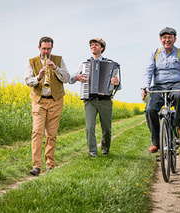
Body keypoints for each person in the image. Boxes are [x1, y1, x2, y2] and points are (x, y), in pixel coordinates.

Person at [141, 27, 180, 153]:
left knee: (179, 95)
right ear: (160, 39)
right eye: (164, 37)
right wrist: (145, 87)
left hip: (176, 84)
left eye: (170, 37)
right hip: (159, 85)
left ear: (174, 39)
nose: (167, 40)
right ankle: (156, 142)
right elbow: (148, 71)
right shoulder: (155, 53)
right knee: (149, 110)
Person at [25, 36, 70, 176]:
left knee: (51, 134)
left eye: (48, 48)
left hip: (55, 100)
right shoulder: (32, 62)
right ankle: (36, 166)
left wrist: (55, 68)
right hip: (39, 100)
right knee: (37, 132)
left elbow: (67, 78)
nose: (46, 51)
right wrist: (39, 77)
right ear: (39, 48)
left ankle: (50, 165)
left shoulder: (58, 60)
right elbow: (28, 81)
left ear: (52, 48)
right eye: (43, 48)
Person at [70, 38, 120, 158]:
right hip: (90, 100)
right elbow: (71, 79)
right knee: (89, 128)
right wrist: (77, 77)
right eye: (91, 45)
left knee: (107, 129)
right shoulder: (84, 64)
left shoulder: (111, 64)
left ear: (102, 48)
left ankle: (105, 150)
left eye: (96, 45)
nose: (93, 46)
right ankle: (92, 154)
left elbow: (118, 85)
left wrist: (116, 83)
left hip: (105, 100)